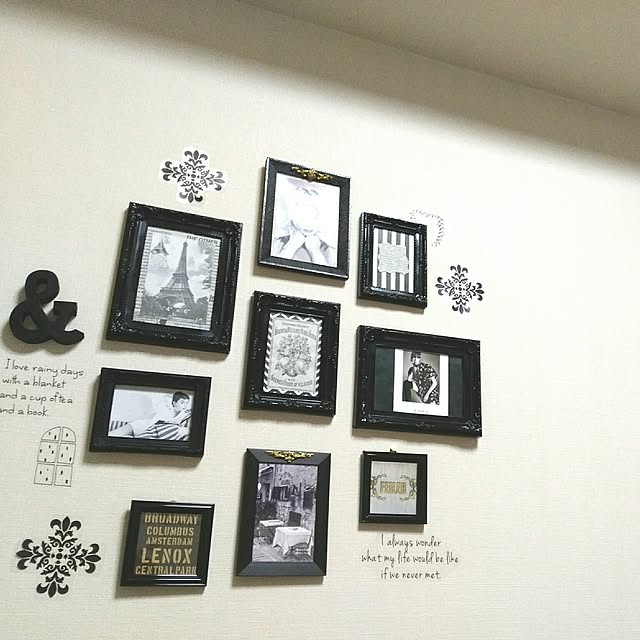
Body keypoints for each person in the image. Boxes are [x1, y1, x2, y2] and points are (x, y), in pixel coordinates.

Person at [271, 179, 337, 267]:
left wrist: (315, 251)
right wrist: (291, 246)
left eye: (314, 217)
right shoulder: (280, 241)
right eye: (302, 216)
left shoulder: (328, 247)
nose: (308, 224)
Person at [109, 391, 192, 440]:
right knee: (114, 435)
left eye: (186, 403)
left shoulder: (184, 415)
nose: (185, 406)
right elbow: (159, 399)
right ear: (174, 403)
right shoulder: (165, 410)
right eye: (182, 403)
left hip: (149, 431)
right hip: (142, 425)